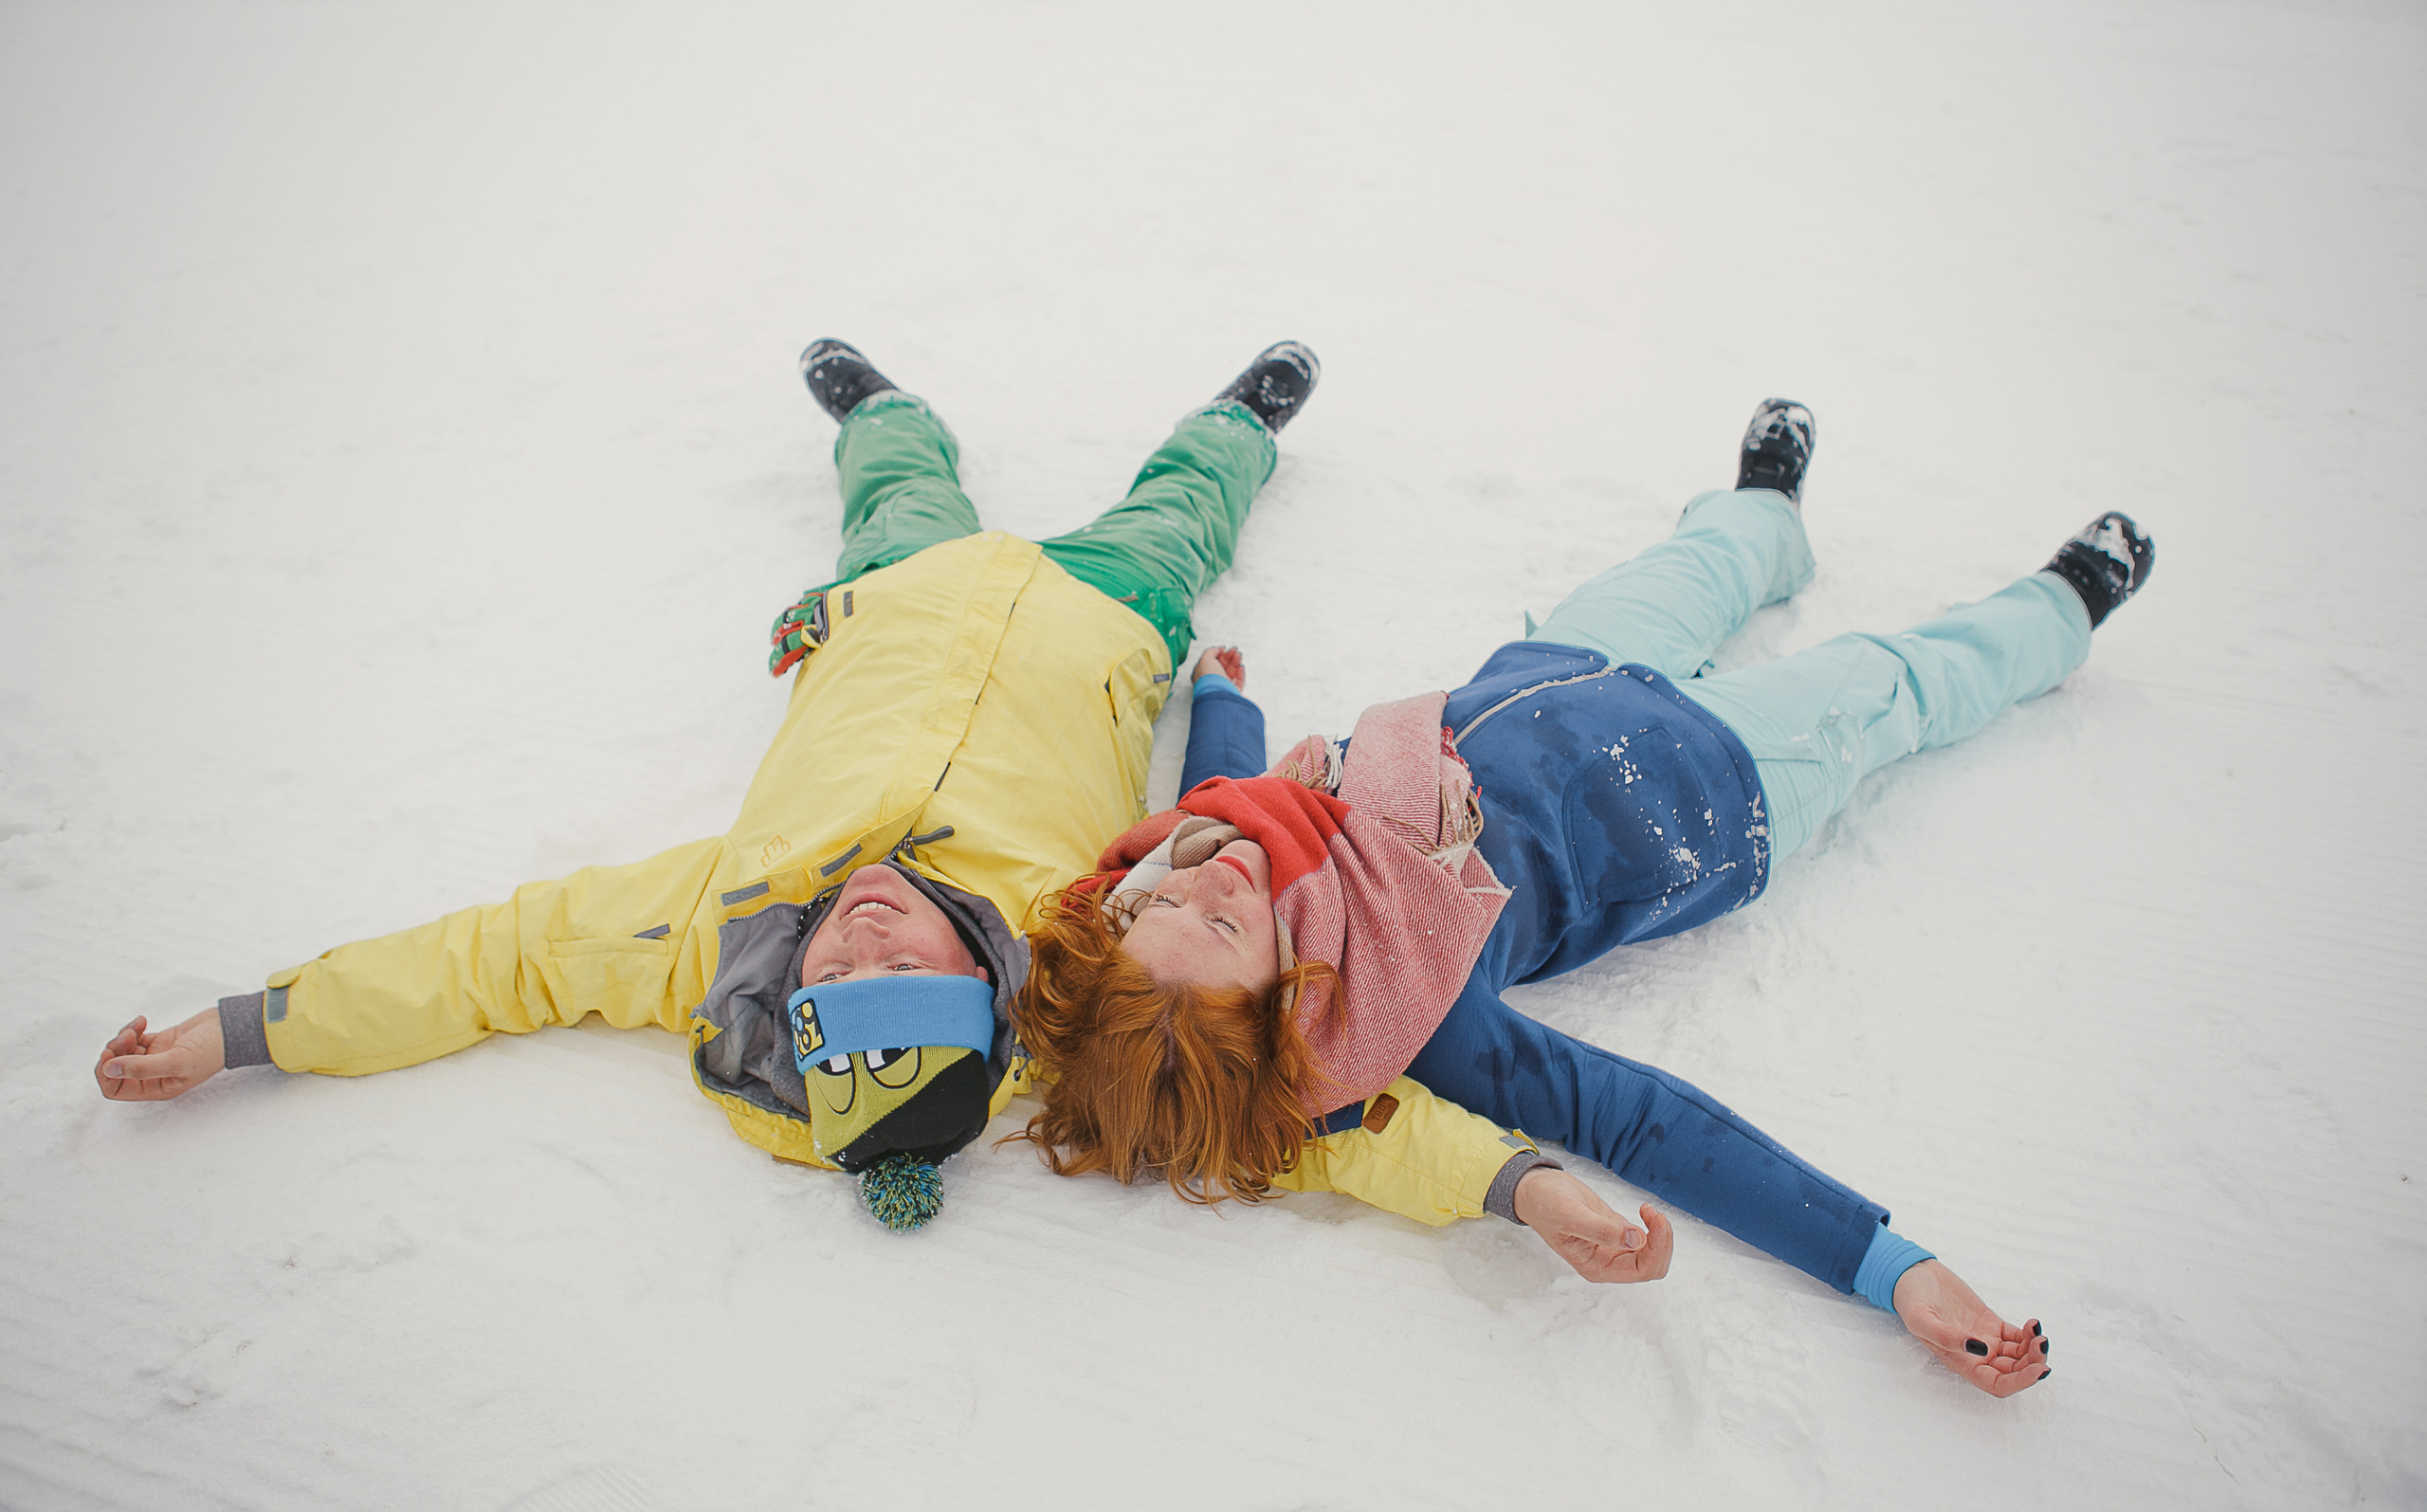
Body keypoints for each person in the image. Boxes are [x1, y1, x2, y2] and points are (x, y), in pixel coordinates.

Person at [93, 337, 1385, 1230]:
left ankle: (877, 410)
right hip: (1103, 617)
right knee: (1184, 514)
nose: (866, 931)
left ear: (791, 989)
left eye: (835, 975)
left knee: (897, 487)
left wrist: (248, 1026)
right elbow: (1237, 1080)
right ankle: (1241, 420)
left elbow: (483, 962)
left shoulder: (702, 927)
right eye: (909, 965)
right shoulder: (1064, 949)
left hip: (896, 601)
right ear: (983, 977)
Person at [1015, 399, 2151, 1395]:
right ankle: (2060, 607)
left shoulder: (1192, 861)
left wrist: (1223, 704)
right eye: (1227, 926)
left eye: (1168, 912)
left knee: (1699, 566)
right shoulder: (1420, 1006)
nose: (1212, 883)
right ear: (1287, 993)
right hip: (1716, 784)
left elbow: (1225, 796)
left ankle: (1767, 514)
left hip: (1560, 667)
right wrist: (1886, 1263)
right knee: (1894, 676)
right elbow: (1638, 1118)